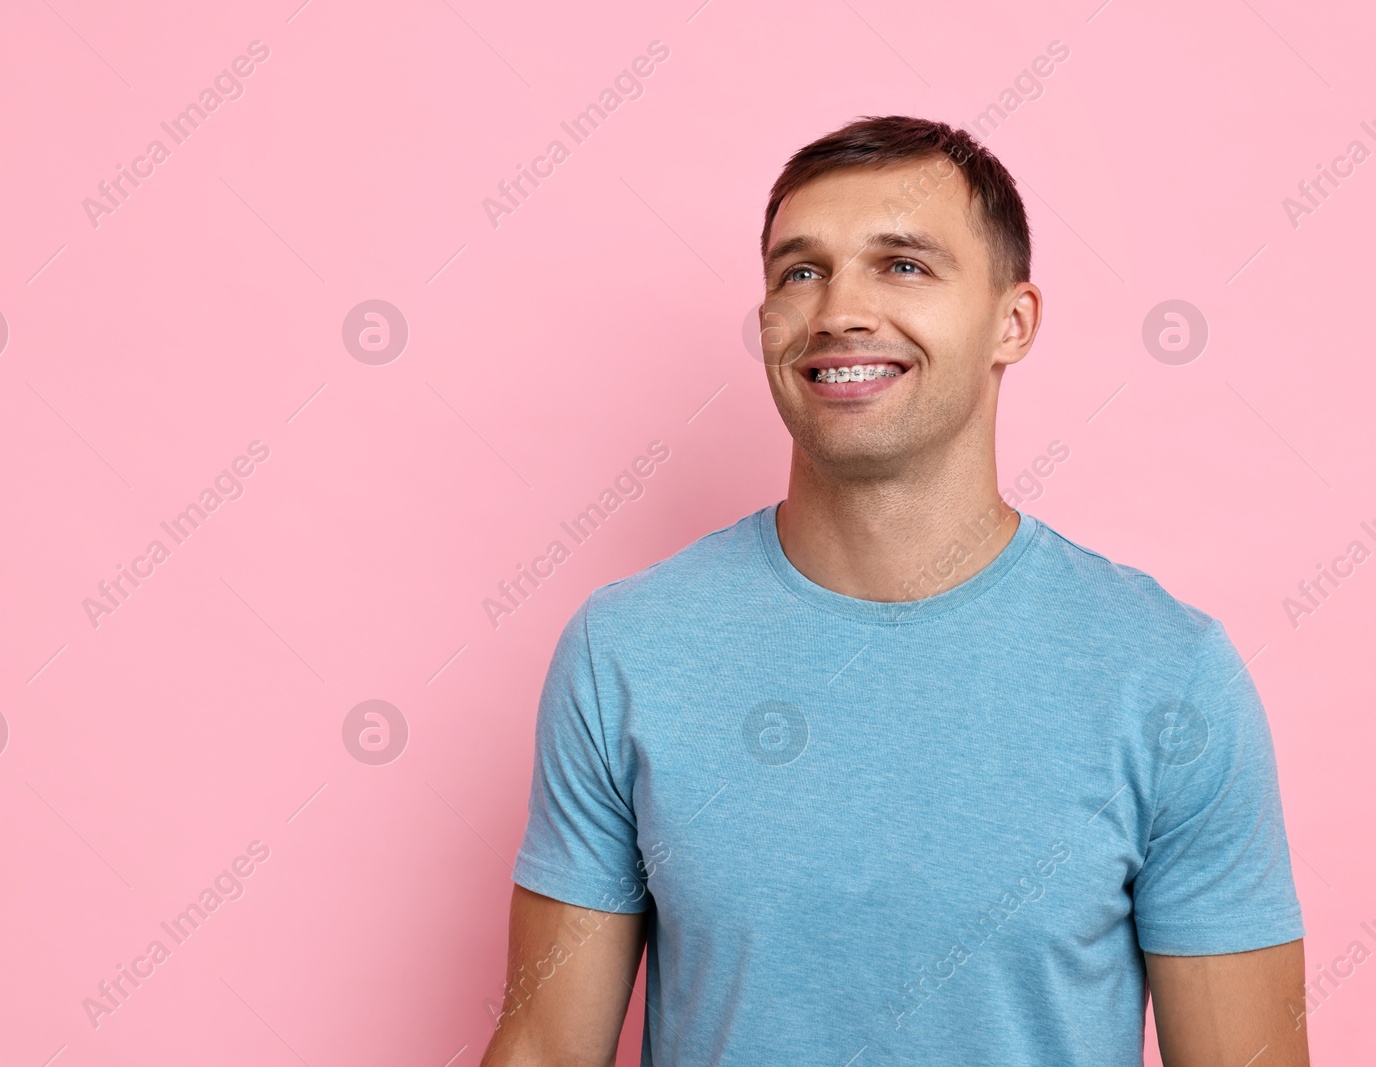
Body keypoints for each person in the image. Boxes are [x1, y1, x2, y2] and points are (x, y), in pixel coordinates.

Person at [478, 115, 1308, 1067]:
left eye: (903, 265)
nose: (839, 311)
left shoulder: (1171, 676)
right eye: (800, 271)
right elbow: (545, 1046)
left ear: (1014, 321)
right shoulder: (623, 651)